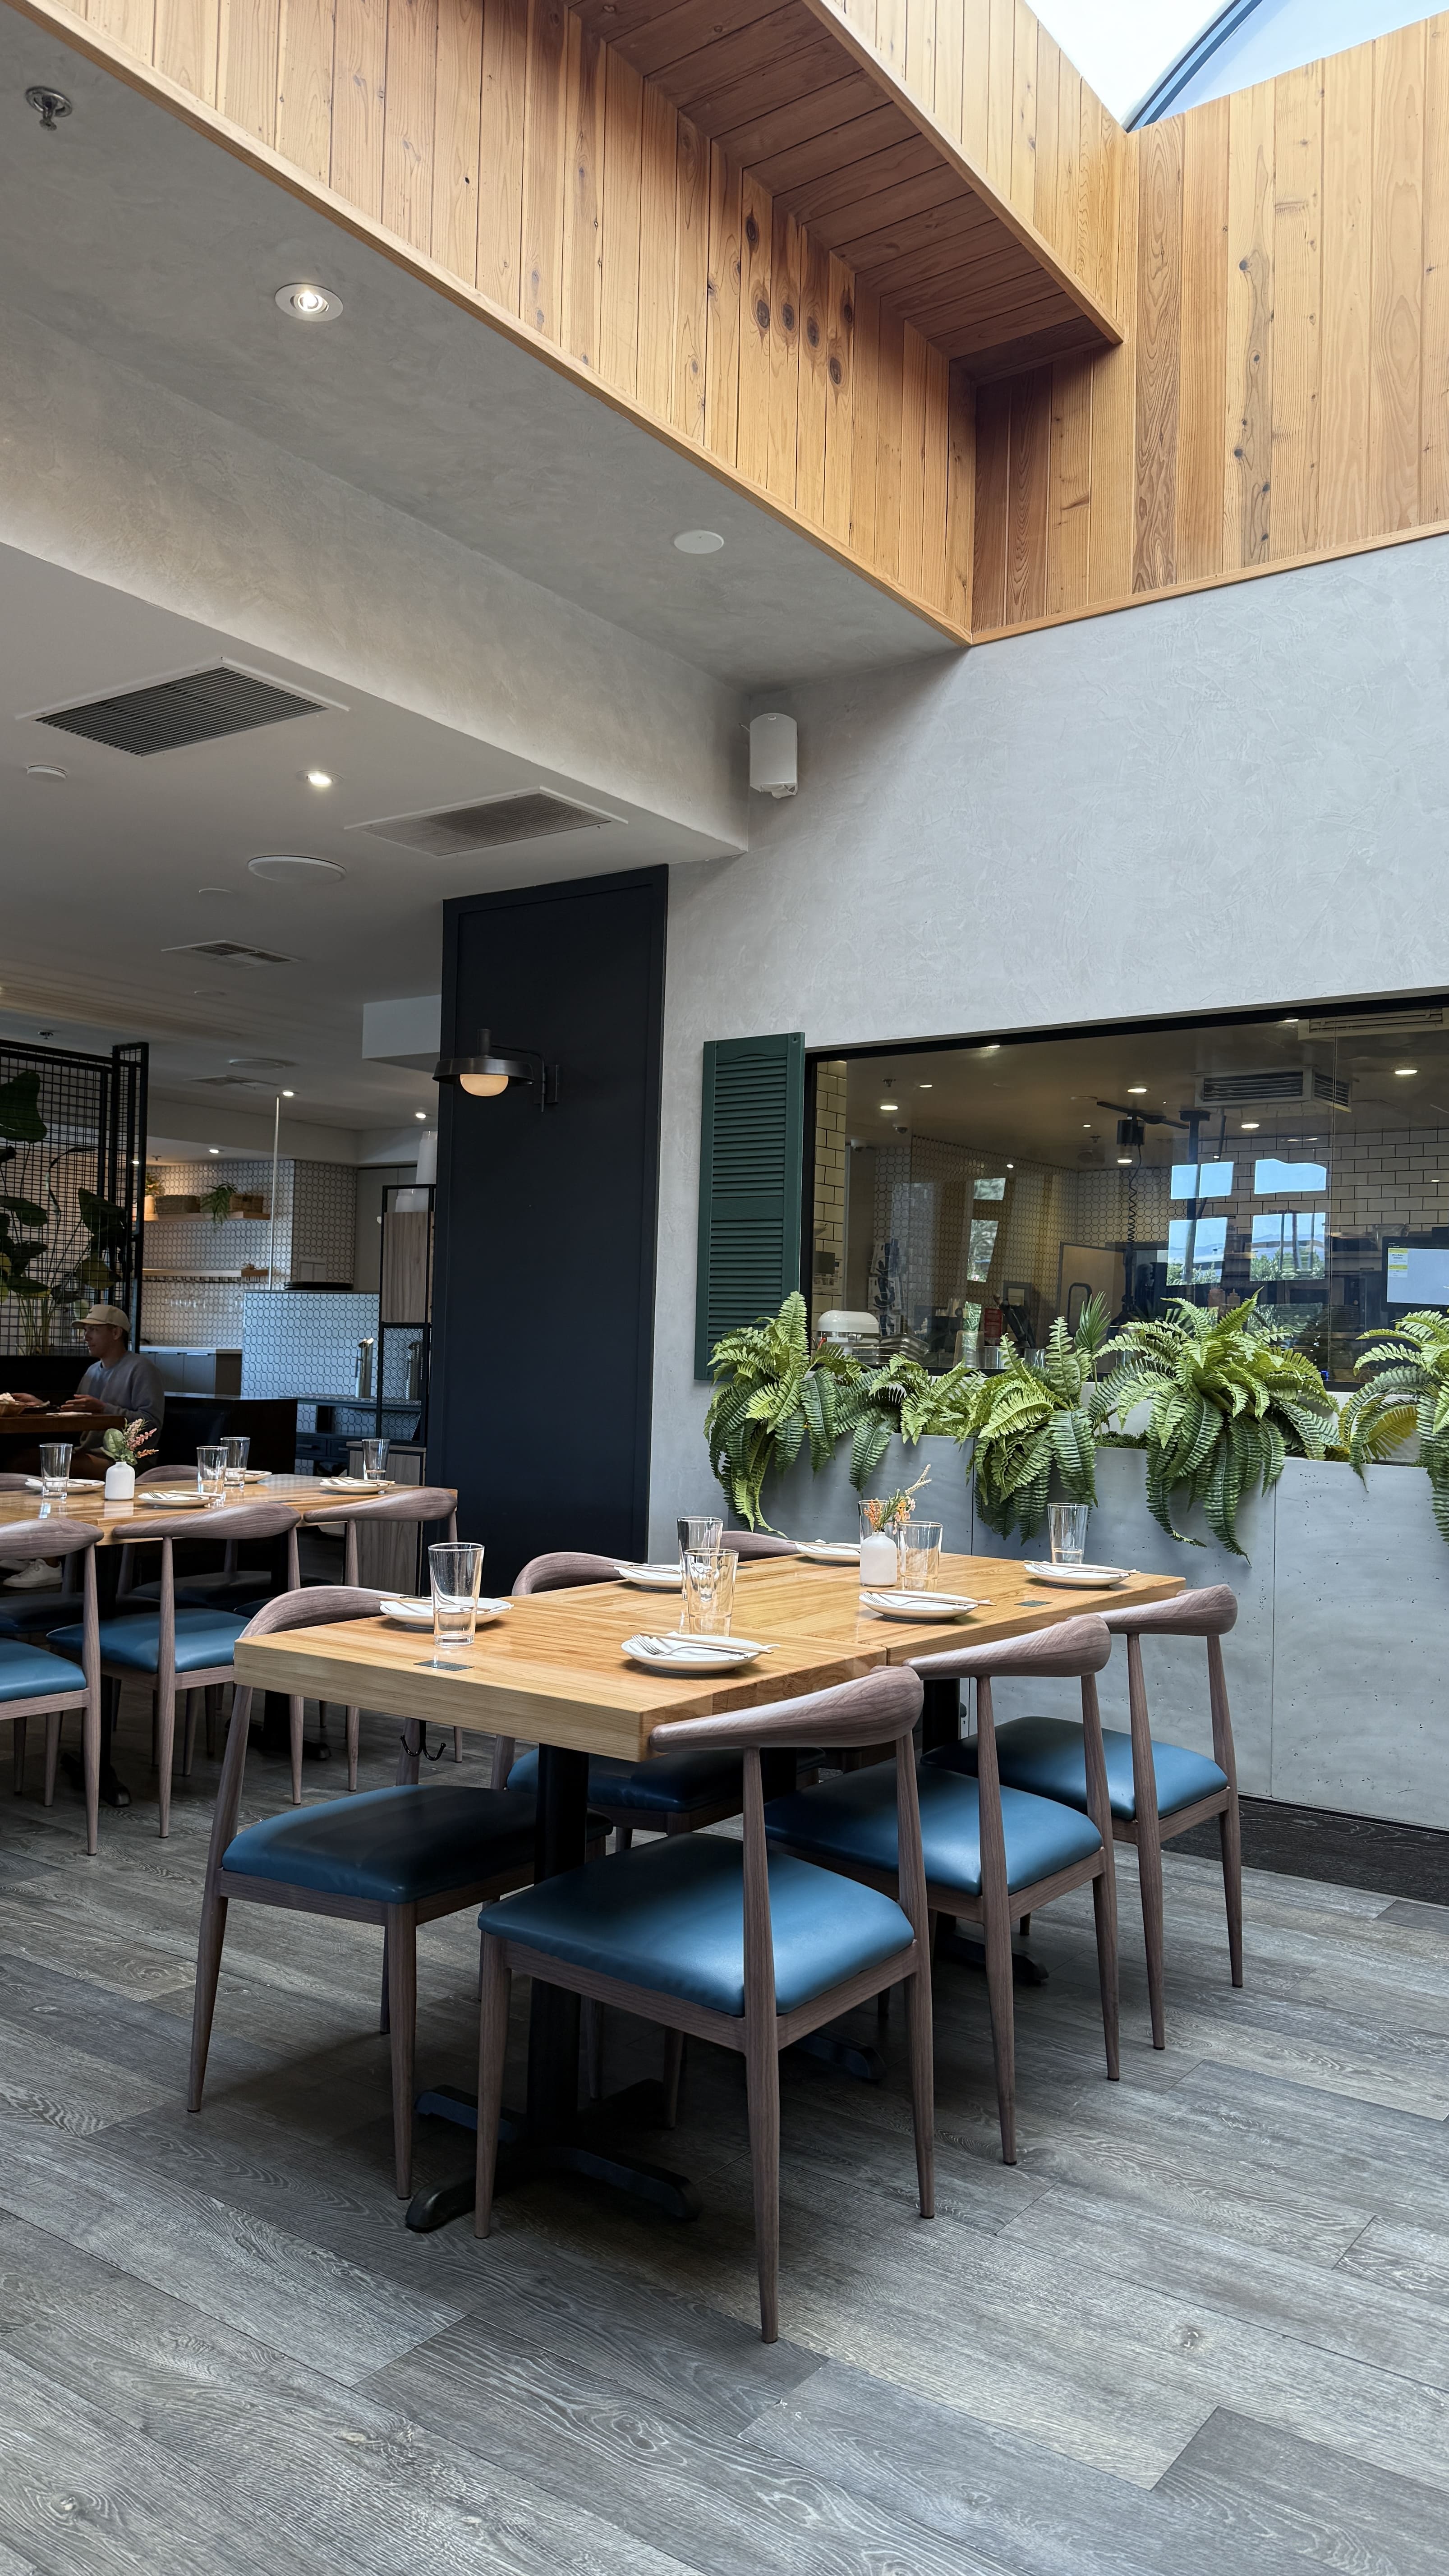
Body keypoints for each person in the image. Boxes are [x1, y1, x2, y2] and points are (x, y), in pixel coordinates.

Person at [4, 1305, 164, 1811]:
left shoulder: (140, 1369)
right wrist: (43, 1408)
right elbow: (79, 1418)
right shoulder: (92, 1370)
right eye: (86, 1331)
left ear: (116, 1331)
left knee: (39, 1465)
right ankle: (44, 1553)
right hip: (94, 1454)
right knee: (34, 1466)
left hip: (125, 1462)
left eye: (93, 1330)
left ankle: (47, 1558)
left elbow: (151, 1427)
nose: (88, 1337)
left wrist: (104, 1407)